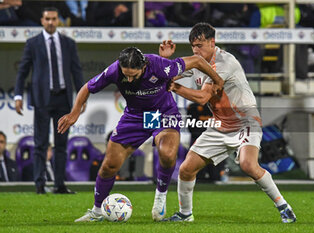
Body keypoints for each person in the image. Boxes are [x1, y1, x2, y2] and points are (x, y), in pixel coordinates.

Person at [57, 46, 224, 222]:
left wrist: (217, 80)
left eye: (133, 75)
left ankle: (160, 198)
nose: (128, 79)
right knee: (109, 166)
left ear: (144, 67)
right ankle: (97, 212)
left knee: (167, 154)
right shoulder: (114, 70)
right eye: (125, 75)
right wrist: (74, 112)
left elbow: (197, 61)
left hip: (163, 113)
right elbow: (87, 88)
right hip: (135, 116)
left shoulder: (160, 65)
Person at [159, 23, 296, 223]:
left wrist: (176, 88)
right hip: (220, 124)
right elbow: (170, 73)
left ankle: (283, 206)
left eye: (200, 45)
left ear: (212, 42)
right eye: (193, 46)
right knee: (186, 168)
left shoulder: (224, 62)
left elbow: (203, 98)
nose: (196, 50)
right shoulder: (197, 62)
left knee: (248, 164)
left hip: (245, 121)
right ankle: (185, 214)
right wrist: (165, 61)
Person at [14, 7, 85, 194]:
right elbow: (22, 72)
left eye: (54, 19)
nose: (51, 22)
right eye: (48, 19)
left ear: (58, 20)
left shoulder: (68, 43)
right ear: (42, 20)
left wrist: (81, 97)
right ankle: (39, 184)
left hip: (63, 99)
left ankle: (59, 184)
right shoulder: (33, 43)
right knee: (40, 143)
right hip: (42, 99)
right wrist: (18, 95)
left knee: (61, 144)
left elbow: (77, 71)